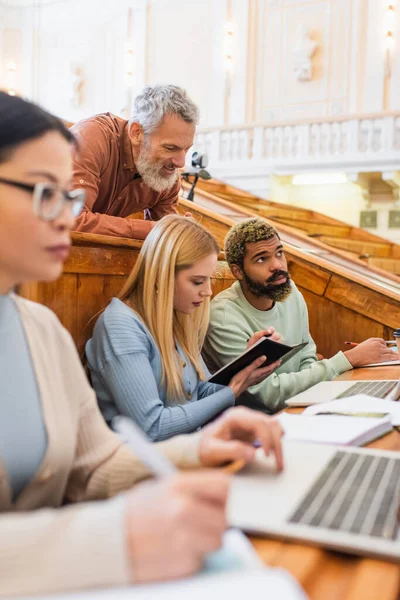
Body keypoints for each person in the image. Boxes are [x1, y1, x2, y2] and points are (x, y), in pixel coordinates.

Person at [0, 93, 285, 597]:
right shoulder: (115, 324)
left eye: (71, 196)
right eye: (46, 192)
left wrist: (199, 450)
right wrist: (114, 539)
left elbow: (95, 466)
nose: (69, 217)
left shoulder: (39, 327)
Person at [86, 215, 282, 442]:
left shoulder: (174, 317)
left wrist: (245, 367)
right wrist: (232, 390)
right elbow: (152, 426)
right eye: (198, 282)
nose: (208, 291)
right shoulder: (119, 326)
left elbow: (201, 393)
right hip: (148, 469)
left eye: (209, 279)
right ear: (162, 275)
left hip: (191, 451)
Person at [203, 218, 399, 413]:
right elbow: (268, 395)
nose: (277, 265)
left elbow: (306, 357)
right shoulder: (223, 317)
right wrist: (348, 359)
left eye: (279, 253)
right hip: (258, 425)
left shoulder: (289, 292)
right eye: (262, 259)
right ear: (238, 271)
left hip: (300, 409)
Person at [71, 85, 198, 239]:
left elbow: (165, 240)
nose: (180, 163)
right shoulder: (90, 140)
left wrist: (181, 233)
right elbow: (71, 221)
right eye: (170, 148)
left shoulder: (166, 176)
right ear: (136, 133)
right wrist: (153, 229)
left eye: (186, 149)